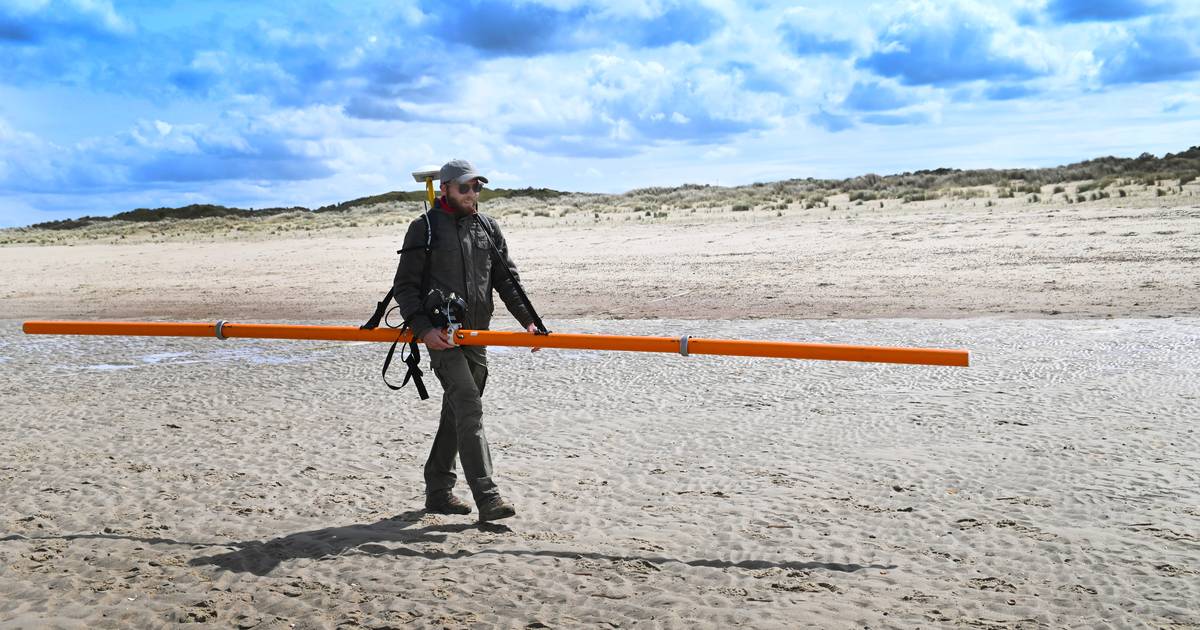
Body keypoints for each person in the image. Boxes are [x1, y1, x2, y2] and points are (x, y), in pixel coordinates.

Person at [392, 159, 540, 522]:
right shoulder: (423, 228)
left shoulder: (487, 227)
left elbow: (507, 281)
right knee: (469, 407)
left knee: (458, 412)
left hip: (478, 335)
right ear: (445, 189)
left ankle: (438, 490)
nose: (472, 194)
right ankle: (488, 497)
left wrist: (529, 322)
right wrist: (426, 331)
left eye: (477, 187)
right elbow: (405, 287)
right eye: (464, 187)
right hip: (441, 337)